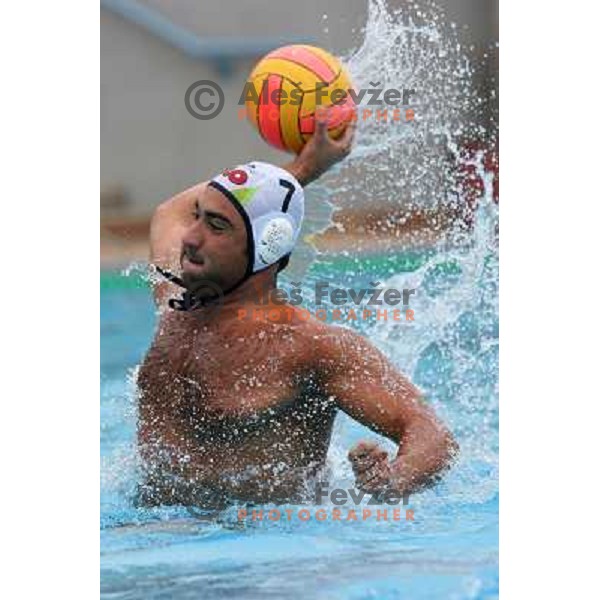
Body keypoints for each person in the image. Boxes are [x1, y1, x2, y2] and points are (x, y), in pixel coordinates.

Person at [137, 112, 457, 509]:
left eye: (216, 226)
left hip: (256, 554)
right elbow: (170, 211)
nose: (190, 236)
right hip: (155, 532)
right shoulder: (177, 302)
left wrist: (392, 480)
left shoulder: (310, 346)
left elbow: (432, 434)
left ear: (269, 246)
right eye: (198, 216)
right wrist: (304, 168)